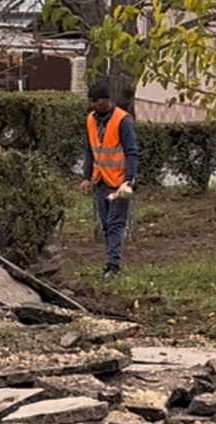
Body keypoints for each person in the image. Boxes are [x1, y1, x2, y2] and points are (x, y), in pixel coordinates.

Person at [80, 82, 139, 278]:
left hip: (119, 182)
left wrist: (128, 181)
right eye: (92, 101)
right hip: (101, 180)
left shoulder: (123, 121)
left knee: (115, 224)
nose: (94, 105)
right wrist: (87, 177)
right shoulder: (91, 120)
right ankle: (110, 262)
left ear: (107, 100)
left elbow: (132, 152)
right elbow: (90, 149)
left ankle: (114, 265)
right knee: (106, 224)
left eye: (97, 101)